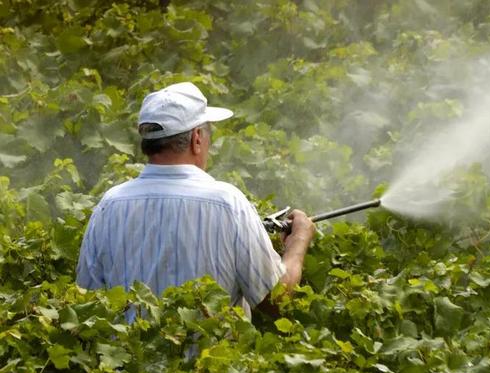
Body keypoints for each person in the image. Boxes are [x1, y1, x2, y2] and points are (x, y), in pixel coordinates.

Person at [76, 82, 315, 317]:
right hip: (211, 357)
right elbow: (276, 301)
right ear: (197, 138)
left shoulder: (109, 205)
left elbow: (87, 304)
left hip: (130, 356)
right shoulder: (228, 203)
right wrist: (298, 241)